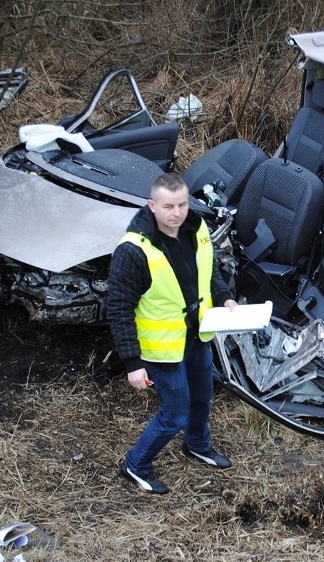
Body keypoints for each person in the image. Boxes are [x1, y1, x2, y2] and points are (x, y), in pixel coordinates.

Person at [106, 172, 237, 495]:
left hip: (197, 336)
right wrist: (132, 363)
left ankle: (197, 445)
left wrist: (225, 297)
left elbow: (210, 271)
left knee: (202, 399)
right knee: (174, 414)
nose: (176, 213)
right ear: (152, 205)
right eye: (168, 206)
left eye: (181, 204)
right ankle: (135, 464)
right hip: (161, 348)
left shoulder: (197, 228)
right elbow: (119, 309)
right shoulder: (133, 249)